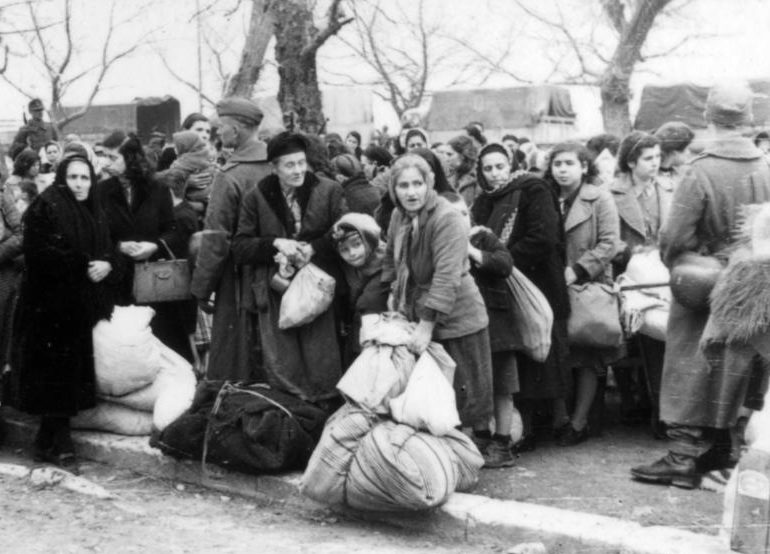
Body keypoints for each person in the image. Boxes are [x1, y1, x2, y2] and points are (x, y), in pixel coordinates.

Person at [631, 83, 770, 489]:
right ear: (747, 120)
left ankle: (683, 456)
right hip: (755, 284)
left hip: (703, 280)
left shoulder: (701, 169)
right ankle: (721, 451)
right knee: (736, 365)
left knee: (691, 363)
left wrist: (685, 264)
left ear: (708, 117)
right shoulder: (765, 166)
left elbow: (674, 237)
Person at [4, 155, 120, 473]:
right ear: (61, 178)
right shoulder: (46, 206)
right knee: (57, 376)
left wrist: (107, 264)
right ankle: (61, 443)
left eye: (85, 177)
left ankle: (45, 442)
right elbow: (40, 254)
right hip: (48, 307)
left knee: (65, 376)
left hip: (77, 306)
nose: (80, 184)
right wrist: (84, 263)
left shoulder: (94, 207)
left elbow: (109, 246)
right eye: (73, 177)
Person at [382, 154, 493, 437]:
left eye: (418, 183)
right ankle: (445, 455)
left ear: (429, 183)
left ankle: (478, 449)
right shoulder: (399, 215)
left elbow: (446, 277)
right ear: (393, 189)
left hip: (457, 317)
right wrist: (393, 297)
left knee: (468, 392)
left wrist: (426, 325)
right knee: (435, 394)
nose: (411, 192)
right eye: (403, 185)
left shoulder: (447, 217)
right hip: (419, 309)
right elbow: (390, 259)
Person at [232, 132, 347, 402]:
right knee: (284, 362)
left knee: (322, 356)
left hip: (318, 287)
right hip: (276, 291)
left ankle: (324, 411)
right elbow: (240, 246)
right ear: (274, 167)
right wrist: (275, 243)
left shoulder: (328, 190)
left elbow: (344, 231)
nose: (298, 171)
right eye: (289, 165)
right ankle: (291, 414)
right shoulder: (256, 196)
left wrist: (313, 248)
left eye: (301, 163)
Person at [471, 142, 570, 453]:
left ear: (512, 165)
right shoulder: (484, 200)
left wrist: (502, 259)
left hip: (537, 281)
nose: (495, 174)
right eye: (488, 168)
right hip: (501, 284)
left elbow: (543, 237)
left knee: (542, 351)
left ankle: (551, 425)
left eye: (500, 166)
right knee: (521, 359)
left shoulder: (532, 188)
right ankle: (527, 427)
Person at [190, 97, 271, 381]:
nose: (218, 132)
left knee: (236, 362)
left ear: (235, 131)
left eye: (221, 126)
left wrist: (201, 288)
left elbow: (215, 239)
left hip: (239, 282)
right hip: (281, 276)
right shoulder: (278, 164)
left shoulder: (231, 176)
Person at [546, 142, 620, 446]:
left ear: (584, 167)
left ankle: (579, 420)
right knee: (554, 350)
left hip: (586, 282)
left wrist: (576, 270)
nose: (562, 170)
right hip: (551, 284)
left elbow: (609, 243)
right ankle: (559, 416)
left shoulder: (599, 198)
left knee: (587, 351)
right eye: (557, 164)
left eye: (569, 164)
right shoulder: (546, 197)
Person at [96, 130, 191, 362]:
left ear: (131, 159)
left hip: (153, 281)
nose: (106, 163)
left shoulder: (157, 188)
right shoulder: (101, 191)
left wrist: (155, 246)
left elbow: (173, 230)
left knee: (164, 347)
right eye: (105, 156)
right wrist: (118, 246)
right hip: (118, 282)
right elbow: (96, 234)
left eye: (112, 157)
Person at [444, 191, 518, 468]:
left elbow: (504, 264)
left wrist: (471, 251)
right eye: (452, 216)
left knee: (503, 384)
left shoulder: (483, 238)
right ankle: (481, 436)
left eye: (464, 213)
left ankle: (503, 442)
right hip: (468, 328)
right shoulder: (441, 243)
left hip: (498, 326)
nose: (460, 220)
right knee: (476, 383)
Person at [331, 213, 389, 366]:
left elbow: (367, 304)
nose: (352, 254)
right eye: (344, 249)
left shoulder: (387, 268)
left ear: (370, 239)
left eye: (357, 244)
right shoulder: (357, 270)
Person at [655, 122, 695, 190]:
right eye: (686, 149)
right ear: (674, 152)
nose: (689, 152)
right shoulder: (652, 181)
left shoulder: (681, 173)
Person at [445, 135, 479, 207]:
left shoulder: (477, 179)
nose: (446, 159)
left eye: (449, 154)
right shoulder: (449, 177)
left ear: (463, 156)